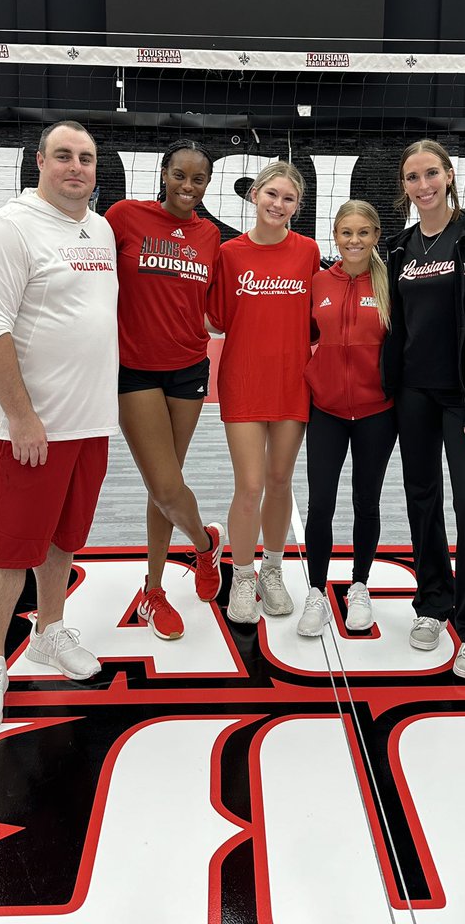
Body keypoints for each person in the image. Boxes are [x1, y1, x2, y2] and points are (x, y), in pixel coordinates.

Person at [0, 121, 119, 732]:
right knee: (6, 550)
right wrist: (22, 417)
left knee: (62, 538)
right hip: (28, 430)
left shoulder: (98, 228)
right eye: (63, 156)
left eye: (85, 157)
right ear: (39, 162)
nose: (75, 166)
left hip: (88, 423)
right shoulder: (7, 230)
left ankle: (51, 632)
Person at [383, 139, 465, 681]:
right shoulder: (400, 248)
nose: (423, 185)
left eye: (430, 173)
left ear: (449, 175)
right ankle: (433, 601)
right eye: (412, 178)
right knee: (422, 499)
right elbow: (395, 327)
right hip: (413, 395)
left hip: (463, 402)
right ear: (404, 188)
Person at [104, 140, 224, 641]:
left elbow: (217, 308)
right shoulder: (124, 216)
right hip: (135, 370)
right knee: (167, 484)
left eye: (198, 180)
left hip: (189, 368)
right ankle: (203, 545)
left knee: (164, 484)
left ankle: (153, 591)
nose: (188, 187)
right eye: (180, 175)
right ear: (163, 172)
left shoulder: (210, 235)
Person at [207, 161, 320, 624]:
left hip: (294, 382)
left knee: (279, 482)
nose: (278, 204)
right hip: (244, 382)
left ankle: (273, 569)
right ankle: (244, 575)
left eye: (289, 199)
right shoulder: (229, 253)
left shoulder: (309, 252)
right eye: (272, 194)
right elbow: (217, 319)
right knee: (249, 485)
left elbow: (319, 318)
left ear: (297, 206)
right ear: (254, 195)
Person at [297, 200, 397, 637]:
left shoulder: (391, 284)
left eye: (363, 233)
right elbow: (307, 335)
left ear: (376, 236)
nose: (353, 241)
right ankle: (316, 592)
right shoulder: (318, 281)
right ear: (334, 237)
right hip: (327, 411)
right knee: (321, 503)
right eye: (345, 233)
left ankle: (359, 586)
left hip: (378, 412)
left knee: (365, 502)